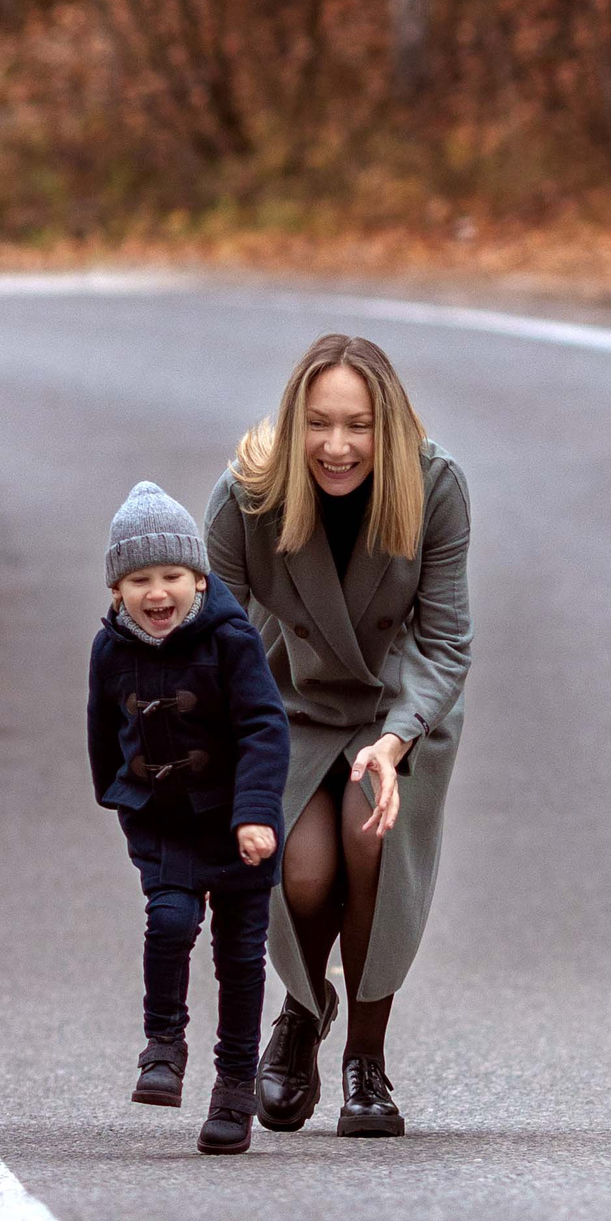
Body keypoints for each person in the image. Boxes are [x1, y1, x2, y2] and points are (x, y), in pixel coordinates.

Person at [206, 333, 473, 1138]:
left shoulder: (436, 488)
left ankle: (366, 1060)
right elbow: (215, 637)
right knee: (306, 872)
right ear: (294, 423)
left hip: (400, 709)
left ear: (386, 426)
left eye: (356, 425)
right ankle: (301, 1009)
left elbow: (447, 640)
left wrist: (395, 742)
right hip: (286, 705)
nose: (337, 446)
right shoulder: (245, 495)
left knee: (372, 844)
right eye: (319, 424)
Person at [87, 482, 290, 1155]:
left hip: (239, 823)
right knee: (171, 921)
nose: (156, 592)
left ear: (198, 579)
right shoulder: (111, 648)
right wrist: (118, 793)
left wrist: (257, 813)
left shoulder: (230, 639)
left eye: (170, 575)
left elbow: (265, 726)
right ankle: (163, 1043)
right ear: (118, 589)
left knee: (239, 956)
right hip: (165, 821)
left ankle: (233, 1089)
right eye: (139, 578)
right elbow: (102, 726)